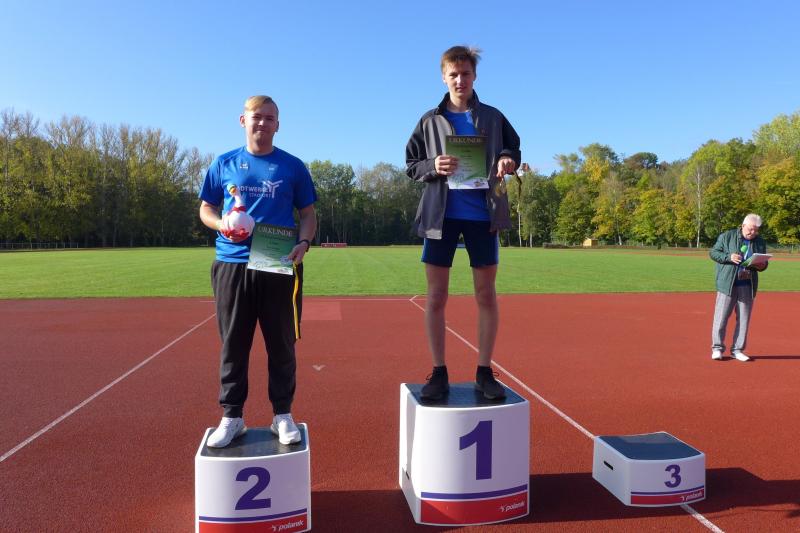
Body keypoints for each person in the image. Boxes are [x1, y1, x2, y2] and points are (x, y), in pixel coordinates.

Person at [199, 95, 317, 446]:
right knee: (233, 344)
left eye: (269, 118)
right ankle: (232, 416)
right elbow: (205, 208)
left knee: (281, 343)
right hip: (232, 261)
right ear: (243, 120)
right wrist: (221, 223)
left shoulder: (292, 167)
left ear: (277, 125)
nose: (262, 123)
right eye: (256, 117)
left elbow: (308, 214)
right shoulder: (224, 163)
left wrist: (304, 242)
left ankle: (282, 414)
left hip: (276, 258)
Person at [405, 45, 521, 400]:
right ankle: (439, 372)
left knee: (485, 294)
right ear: (443, 77)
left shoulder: (493, 117)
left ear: (474, 76)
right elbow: (411, 165)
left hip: (483, 214)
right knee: (436, 296)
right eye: (453, 74)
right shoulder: (429, 120)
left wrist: (507, 160)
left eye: (465, 74)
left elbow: (513, 150)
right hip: (440, 217)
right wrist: (432, 166)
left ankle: (484, 372)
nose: (460, 80)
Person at [709, 213, 768, 362]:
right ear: (743, 226)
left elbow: (764, 263)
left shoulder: (760, 241)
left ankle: (737, 350)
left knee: (743, 319)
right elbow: (713, 253)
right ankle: (717, 348)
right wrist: (729, 257)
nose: (753, 232)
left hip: (747, 284)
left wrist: (762, 265)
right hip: (727, 284)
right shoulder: (727, 236)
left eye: (756, 230)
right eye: (750, 229)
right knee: (721, 318)